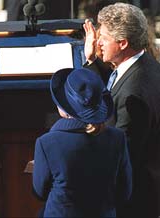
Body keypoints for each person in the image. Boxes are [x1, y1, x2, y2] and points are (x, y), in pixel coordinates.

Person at [83, 2, 160, 218]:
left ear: (123, 43)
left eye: (104, 38)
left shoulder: (132, 95)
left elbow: (120, 154)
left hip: (131, 201)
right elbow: (113, 87)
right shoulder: (147, 64)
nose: (98, 42)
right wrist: (91, 61)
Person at [32, 67, 132, 217]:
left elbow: (39, 193)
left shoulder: (46, 143)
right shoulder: (117, 139)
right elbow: (125, 193)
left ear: (64, 108)